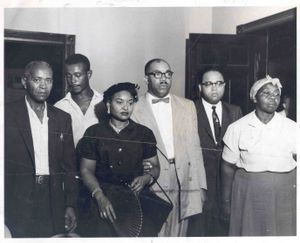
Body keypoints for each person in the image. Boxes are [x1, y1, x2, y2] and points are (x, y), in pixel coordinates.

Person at [131, 58, 207, 237]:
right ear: (146, 79)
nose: (163, 78)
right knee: (153, 232)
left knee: (179, 234)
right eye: (157, 74)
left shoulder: (187, 106)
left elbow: (195, 150)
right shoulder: (133, 109)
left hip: (183, 178)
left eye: (167, 74)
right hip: (152, 178)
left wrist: (201, 186)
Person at [77, 82, 160, 237]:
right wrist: (99, 197)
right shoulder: (94, 132)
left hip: (135, 200)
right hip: (103, 198)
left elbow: (155, 167)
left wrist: (146, 178)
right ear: (108, 104)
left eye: (130, 103)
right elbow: (86, 170)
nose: (125, 107)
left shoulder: (144, 133)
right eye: (119, 102)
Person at [5, 61, 78, 237]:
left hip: (52, 198)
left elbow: (69, 166)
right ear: (24, 81)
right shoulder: (7, 114)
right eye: (37, 80)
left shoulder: (62, 118)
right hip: (16, 198)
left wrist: (70, 204)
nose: (43, 86)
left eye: (48, 80)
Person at [221, 75, 297, 236]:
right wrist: (226, 201)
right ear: (254, 97)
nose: (272, 98)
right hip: (249, 193)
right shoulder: (238, 127)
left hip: (285, 193)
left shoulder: (292, 127)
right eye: (266, 93)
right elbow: (227, 166)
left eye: (276, 94)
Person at [187, 67, 242, 236]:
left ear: (224, 86)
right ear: (199, 88)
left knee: (225, 230)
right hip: (200, 182)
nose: (214, 88)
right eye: (208, 84)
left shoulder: (235, 111)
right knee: (198, 230)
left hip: (228, 184)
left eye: (219, 83)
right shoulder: (189, 110)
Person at [54, 53, 103, 147]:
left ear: (89, 74)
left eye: (78, 75)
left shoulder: (104, 102)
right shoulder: (59, 107)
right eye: (69, 76)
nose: (73, 80)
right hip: (70, 161)